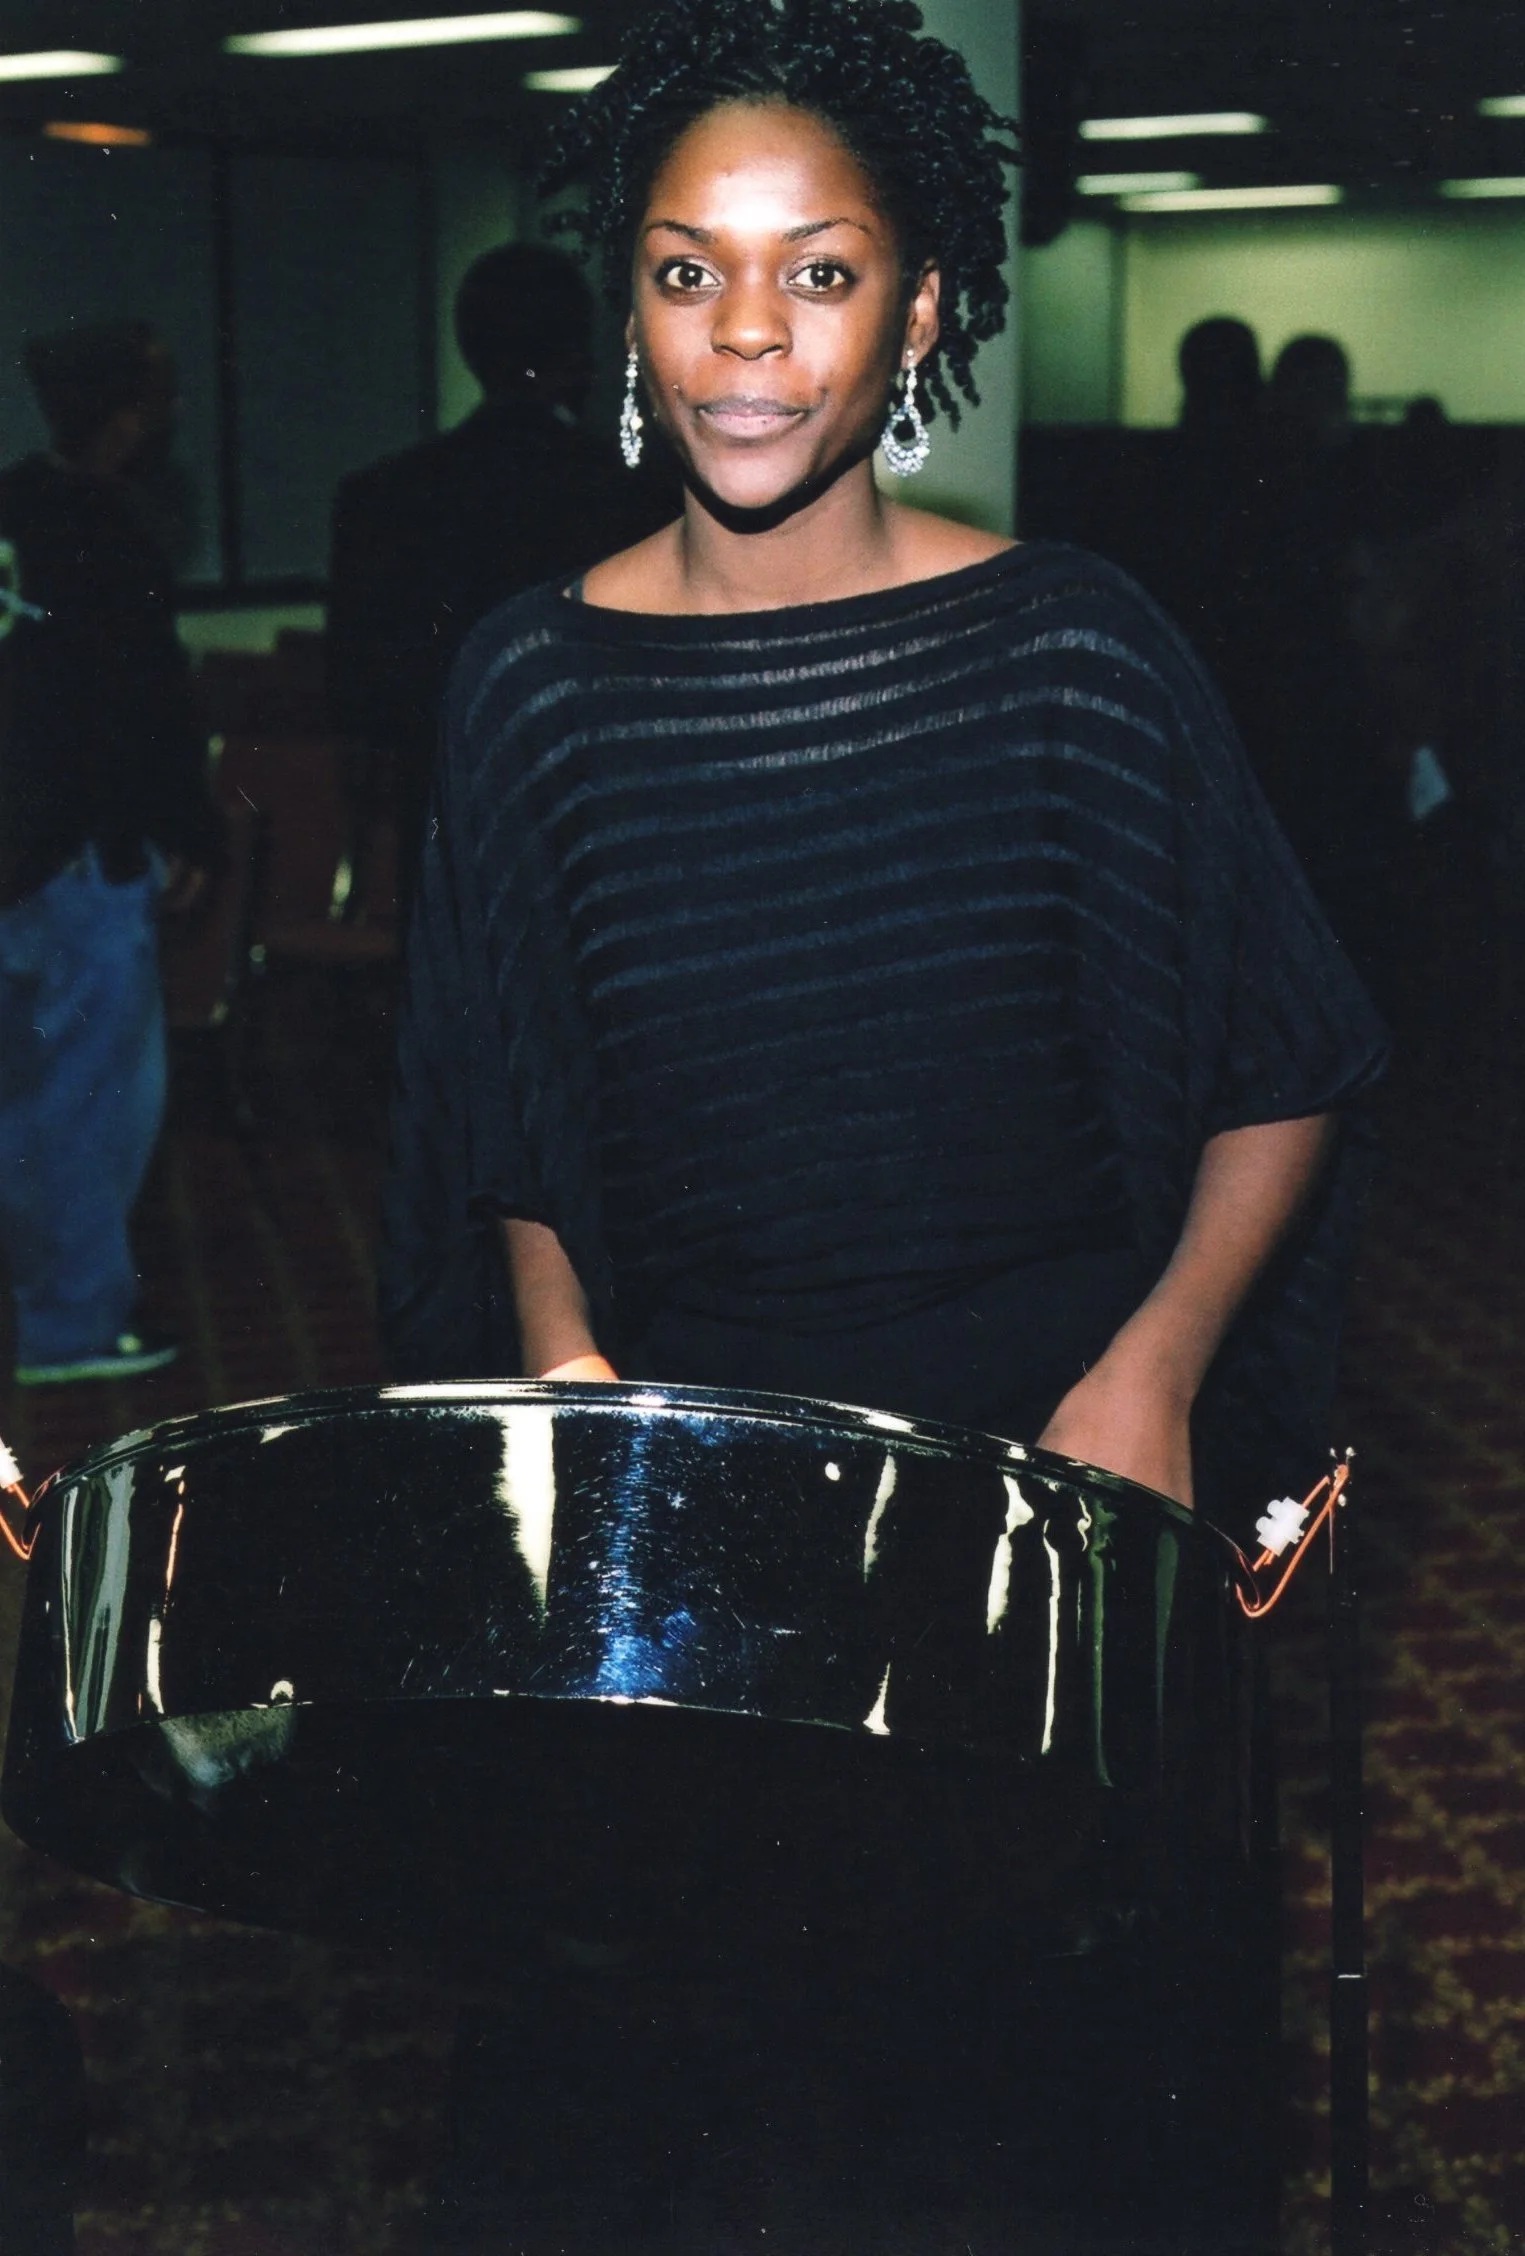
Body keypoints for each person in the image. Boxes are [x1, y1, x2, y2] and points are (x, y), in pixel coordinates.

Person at [380, 0, 1386, 2243]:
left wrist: (1155, 1370)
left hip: (1042, 1461)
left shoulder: (1072, 646)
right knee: (696, 2139)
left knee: (1034, 2143)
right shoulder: (528, 683)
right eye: (688, 270)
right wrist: (561, 1369)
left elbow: (1284, 1060)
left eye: (818, 272)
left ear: (921, 310)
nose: (748, 333)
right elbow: (508, 1107)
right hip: (704, 1485)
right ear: (630, 311)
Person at [0, 321, 222, 1388]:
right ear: (129, 414)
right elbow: (144, 708)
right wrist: (186, 831)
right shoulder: (115, 529)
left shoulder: (10, 509)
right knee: (91, 1099)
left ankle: (42, 1299)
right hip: (83, 858)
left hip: (10, 852)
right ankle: (71, 1325)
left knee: (19, 1092)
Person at [327, 242, 673, 920]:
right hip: (595, 836)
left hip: (441, 832)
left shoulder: (382, 498)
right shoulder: (631, 499)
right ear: (577, 352)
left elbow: (359, 699)